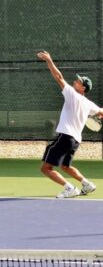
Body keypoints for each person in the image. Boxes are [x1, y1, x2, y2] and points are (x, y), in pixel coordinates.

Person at [37, 51, 103, 198]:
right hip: (75, 141)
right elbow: (101, 112)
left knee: (46, 168)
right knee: (65, 166)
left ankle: (69, 188)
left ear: (83, 88)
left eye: (79, 81)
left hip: (65, 137)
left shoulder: (72, 94)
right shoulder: (89, 104)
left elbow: (58, 77)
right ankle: (87, 184)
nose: (75, 81)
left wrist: (49, 60)